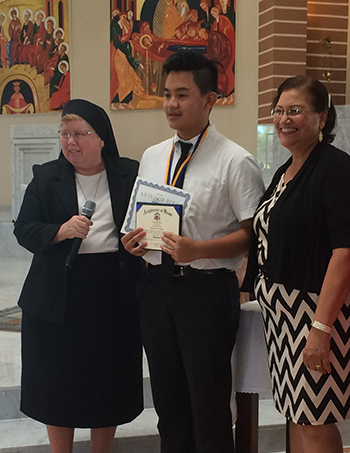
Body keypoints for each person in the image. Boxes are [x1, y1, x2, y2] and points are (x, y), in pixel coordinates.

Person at [121, 50, 264, 453]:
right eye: (167, 94)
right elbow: (139, 219)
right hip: (155, 287)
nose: (170, 104)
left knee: (209, 401)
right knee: (168, 402)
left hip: (205, 292)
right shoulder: (152, 155)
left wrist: (197, 248)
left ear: (209, 100)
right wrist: (133, 241)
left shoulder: (236, 161)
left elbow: (250, 235)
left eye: (182, 94)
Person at [14, 99, 143, 453]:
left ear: (101, 138)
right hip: (57, 293)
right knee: (58, 383)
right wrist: (60, 230)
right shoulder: (46, 176)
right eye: (65, 134)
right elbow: (24, 230)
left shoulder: (128, 174)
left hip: (112, 291)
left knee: (109, 380)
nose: (71, 142)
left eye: (80, 134)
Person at [241, 76, 350, 453]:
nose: (284, 119)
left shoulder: (335, 169)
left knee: (316, 419)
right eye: (279, 110)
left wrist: (321, 328)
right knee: (298, 415)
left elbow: (345, 252)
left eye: (296, 111)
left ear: (322, 117)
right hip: (283, 319)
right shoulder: (285, 172)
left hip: (315, 315)